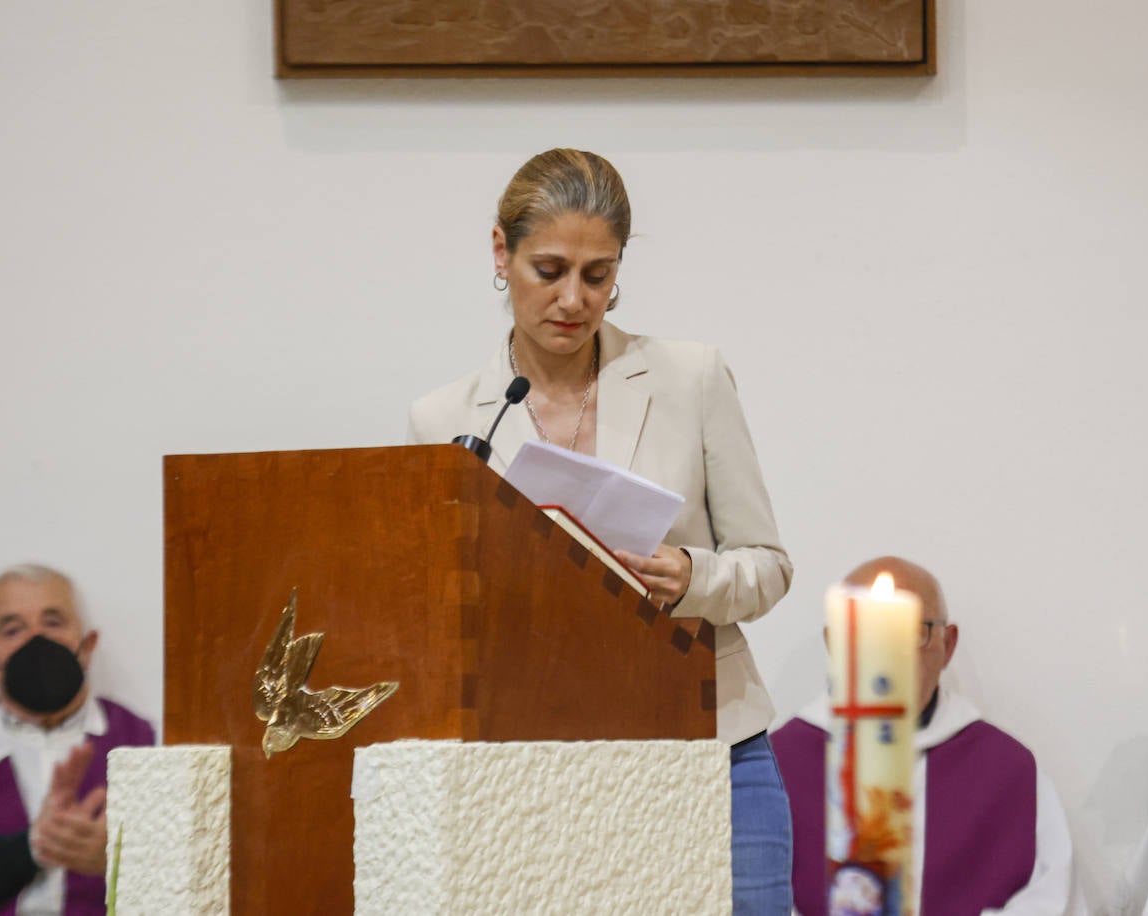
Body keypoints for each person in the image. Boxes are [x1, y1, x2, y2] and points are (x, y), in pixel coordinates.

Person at [407, 148, 795, 913]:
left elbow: (769, 566)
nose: (574, 300)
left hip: (714, 747)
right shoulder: (448, 420)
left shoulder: (690, 378)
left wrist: (694, 576)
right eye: (548, 270)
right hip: (539, 763)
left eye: (597, 274)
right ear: (501, 252)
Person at [771, 556, 1084, 915]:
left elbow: (1052, 899)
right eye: (862, 630)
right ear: (834, 643)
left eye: (909, 631)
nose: (883, 652)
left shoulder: (1009, 771)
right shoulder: (778, 764)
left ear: (947, 644)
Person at [0, 564, 155, 915]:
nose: (36, 640)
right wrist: (30, 848)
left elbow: (190, 866)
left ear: (88, 646)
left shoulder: (145, 739)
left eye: (53, 622)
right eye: (13, 629)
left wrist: (122, 860)